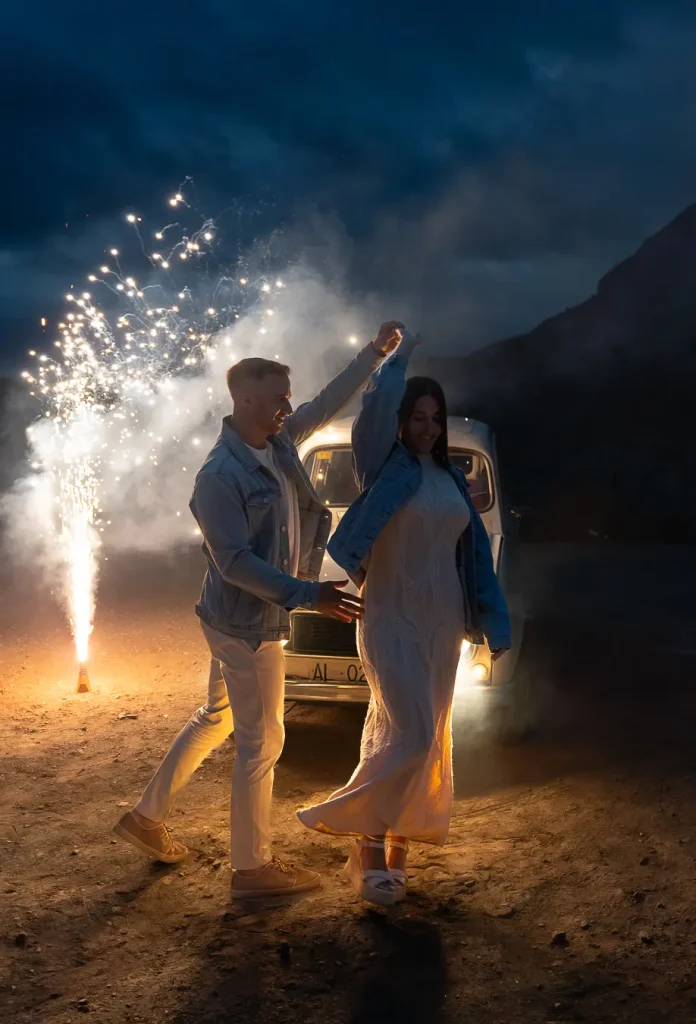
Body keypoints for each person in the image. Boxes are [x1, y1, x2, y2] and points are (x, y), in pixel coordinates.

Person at [114, 322, 404, 900]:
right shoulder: (219, 477)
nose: (288, 406)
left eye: (287, 396)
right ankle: (252, 870)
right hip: (246, 625)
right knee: (263, 741)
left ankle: (145, 818)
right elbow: (235, 564)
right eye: (278, 397)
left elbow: (324, 403)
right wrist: (310, 595)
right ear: (244, 399)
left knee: (217, 717)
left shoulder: (276, 443)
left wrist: (372, 355)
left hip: (238, 621)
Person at [297, 330, 511, 906]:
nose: (426, 427)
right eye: (416, 416)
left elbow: (473, 565)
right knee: (410, 731)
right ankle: (361, 836)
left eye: (433, 417)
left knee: (424, 730)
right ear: (400, 420)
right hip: (388, 613)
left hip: (442, 620)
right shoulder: (383, 468)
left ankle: (394, 847)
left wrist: (495, 624)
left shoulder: (454, 483)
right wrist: (398, 359)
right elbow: (369, 413)